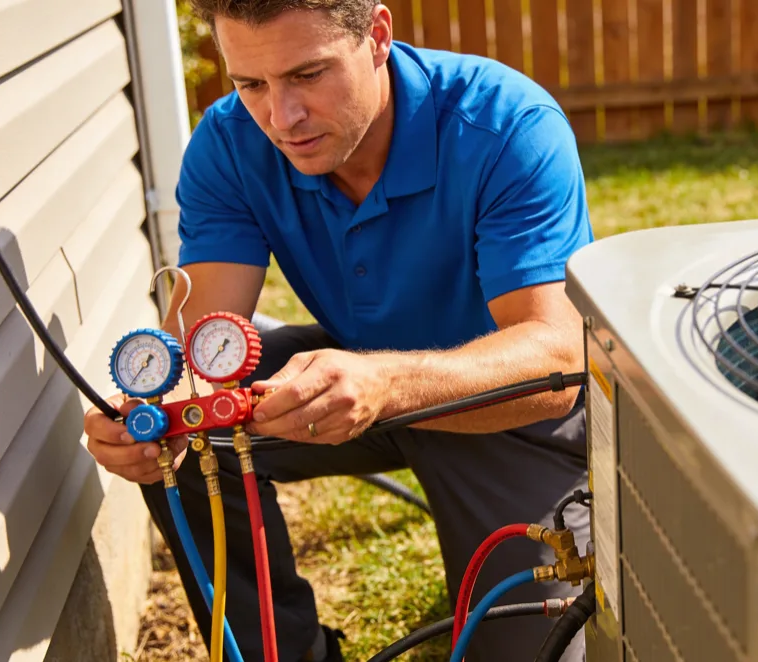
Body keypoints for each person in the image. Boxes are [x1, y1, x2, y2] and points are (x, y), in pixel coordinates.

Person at [82, 1, 595, 660]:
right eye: (251, 84)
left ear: (378, 36)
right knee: (188, 433)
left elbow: (554, 363)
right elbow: (201, 337)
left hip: (503, 405)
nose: (280, 117)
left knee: (536, 645)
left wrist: (389, 386)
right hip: (352, 374)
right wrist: (152, 413)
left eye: (308, 75)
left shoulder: (504, 127)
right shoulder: (230, 142)